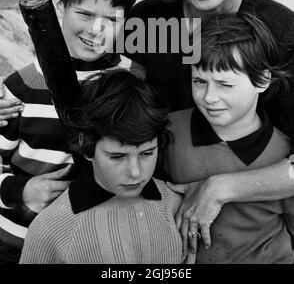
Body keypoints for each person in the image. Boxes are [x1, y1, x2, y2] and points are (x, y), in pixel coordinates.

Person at [122, 0, 294, 247]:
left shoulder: (282, 32)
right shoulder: (147, 21)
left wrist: (219, 189)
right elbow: (117, 101)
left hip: (250, 233)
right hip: (153, 212)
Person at [0, 0, 143, 263]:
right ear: (60, 5)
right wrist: (18, 190)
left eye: (111, 19)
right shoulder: (18, 87)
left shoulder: (134, 79)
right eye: (86, 14)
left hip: (94, 246)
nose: (96, 30)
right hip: (17, 244)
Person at [19, 70, 194, 264]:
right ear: (86, 147)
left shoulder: (179, 207)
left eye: (147, 153)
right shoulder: (49, 229)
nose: (135, 172)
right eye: (118, 156)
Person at [163, 12, 294, 263]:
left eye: (225, 84)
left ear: (262, 80)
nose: (209, 97)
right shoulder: (168, 132)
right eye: (199, 81)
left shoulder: (283, 153)